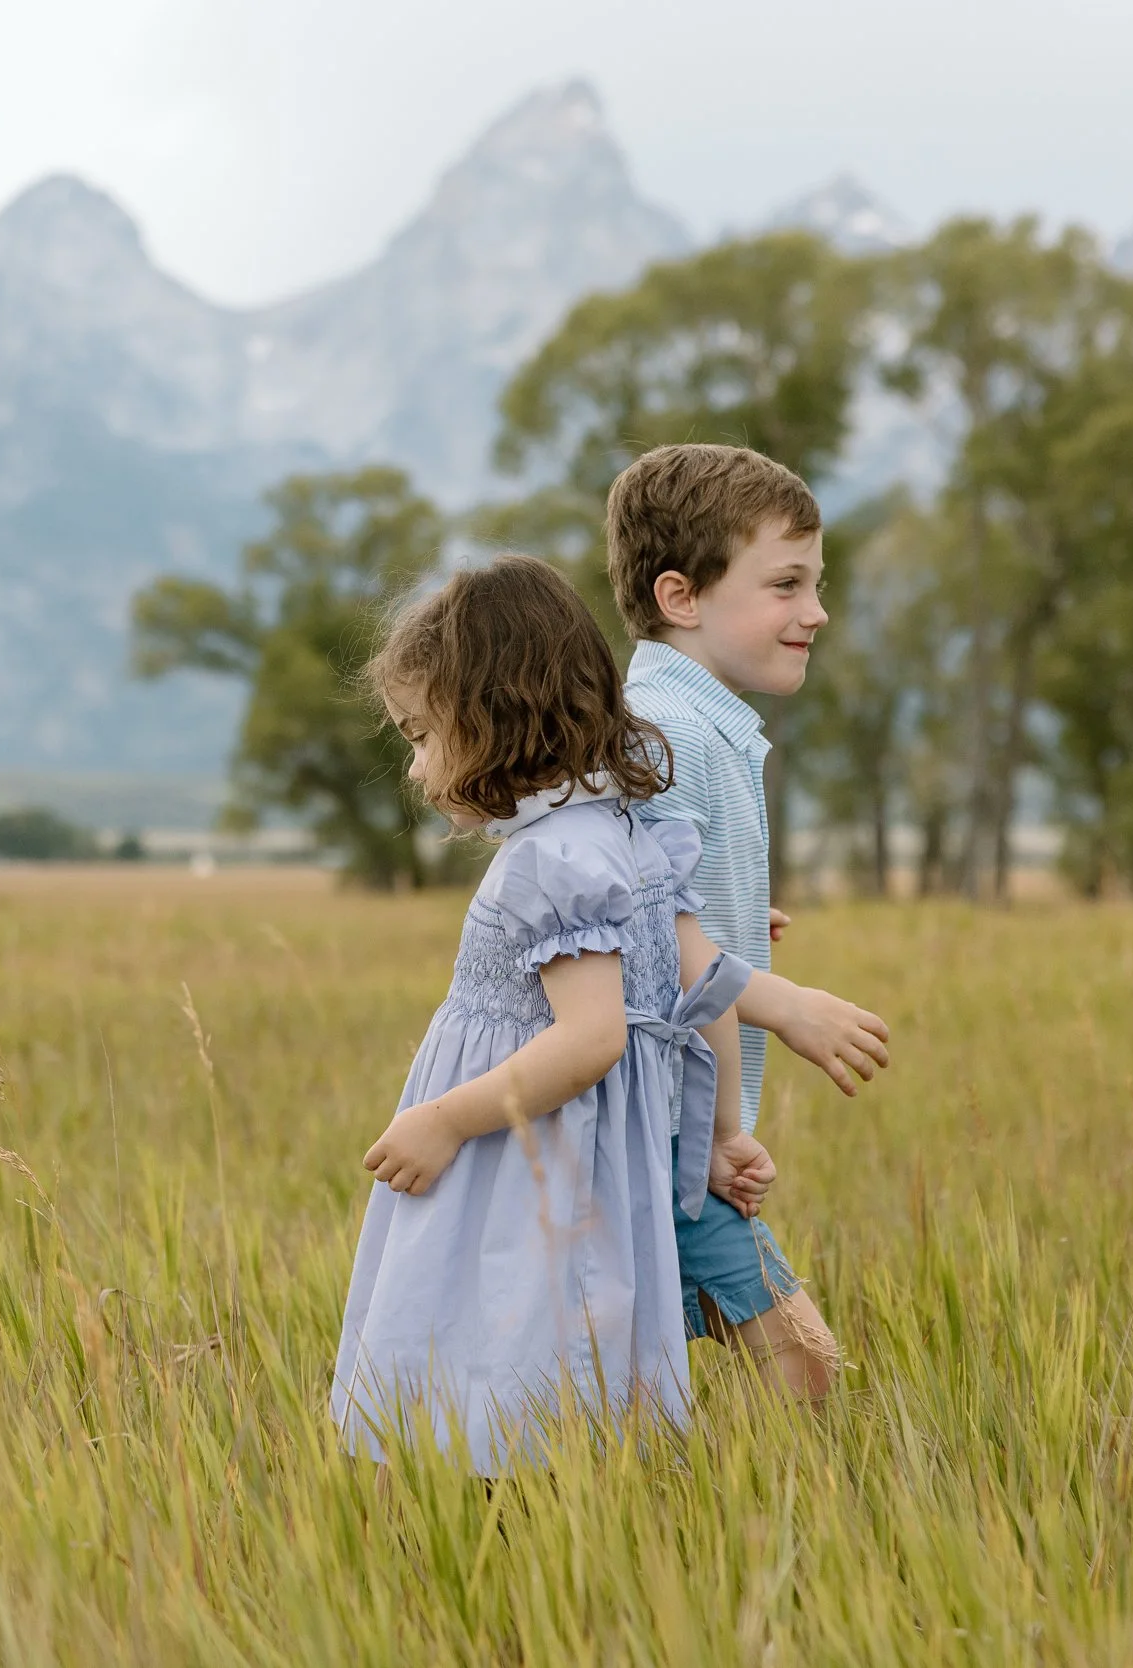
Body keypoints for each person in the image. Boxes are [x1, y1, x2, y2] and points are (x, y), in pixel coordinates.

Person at [330, 555, 761, 1475]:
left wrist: (443, 1119)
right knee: (556, 1329)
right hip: (583, 1154)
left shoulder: (552, 861)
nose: (414, 766)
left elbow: (594, 1037)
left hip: (526, 1159)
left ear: (489, 718)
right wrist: (721, 1131)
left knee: (507, 1322)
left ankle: (501, 1503)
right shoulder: (628, 834)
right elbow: (703, 996)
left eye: (419, 734)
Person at [609, 441, 893, 1403]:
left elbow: (668, 915)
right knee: (804, 1368)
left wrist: (731, 920)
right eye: (786, 583)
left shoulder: (696, 725)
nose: (816, 611)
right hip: (656, 1134)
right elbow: (661, 943)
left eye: (816, 582)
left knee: (622, 1379)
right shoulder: (665, 733)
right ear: (682, 596)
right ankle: (791, 1533)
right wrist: (788, 1004)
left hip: (676, 1135)